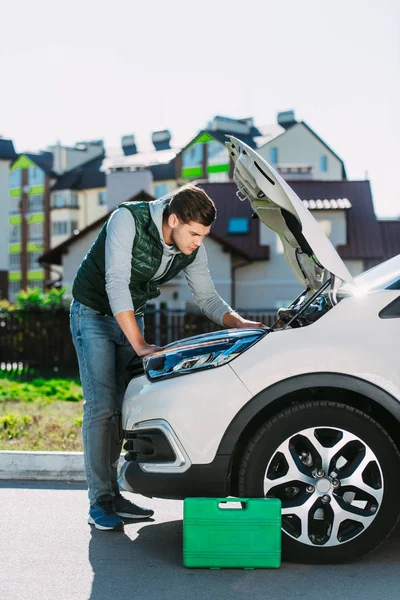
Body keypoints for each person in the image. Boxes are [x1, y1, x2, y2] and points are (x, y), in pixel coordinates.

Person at [70, 184, 266, 531]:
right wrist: (141, 345)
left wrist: (242, 323)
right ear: (173, 219)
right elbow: (116, 284)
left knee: (124, 404)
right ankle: (99, 500)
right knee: (101, 406)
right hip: (93, 314)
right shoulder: (127, 220)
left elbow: (207, 298)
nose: (197, 242)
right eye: (193, 233)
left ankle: (114, 496)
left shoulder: (191, 247)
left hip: (132, 316)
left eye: (203, 235)